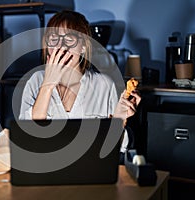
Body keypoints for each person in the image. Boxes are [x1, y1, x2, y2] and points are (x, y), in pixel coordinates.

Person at [19, 10, 141, 163]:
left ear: (83, 46)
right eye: (53, 39)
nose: (60, 47)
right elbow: (28, 138)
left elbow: (114, 150)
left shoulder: (105, 85)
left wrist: (119, 120)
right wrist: (48, 85)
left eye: (69, 39)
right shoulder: (35, 81)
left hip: (92, 170)